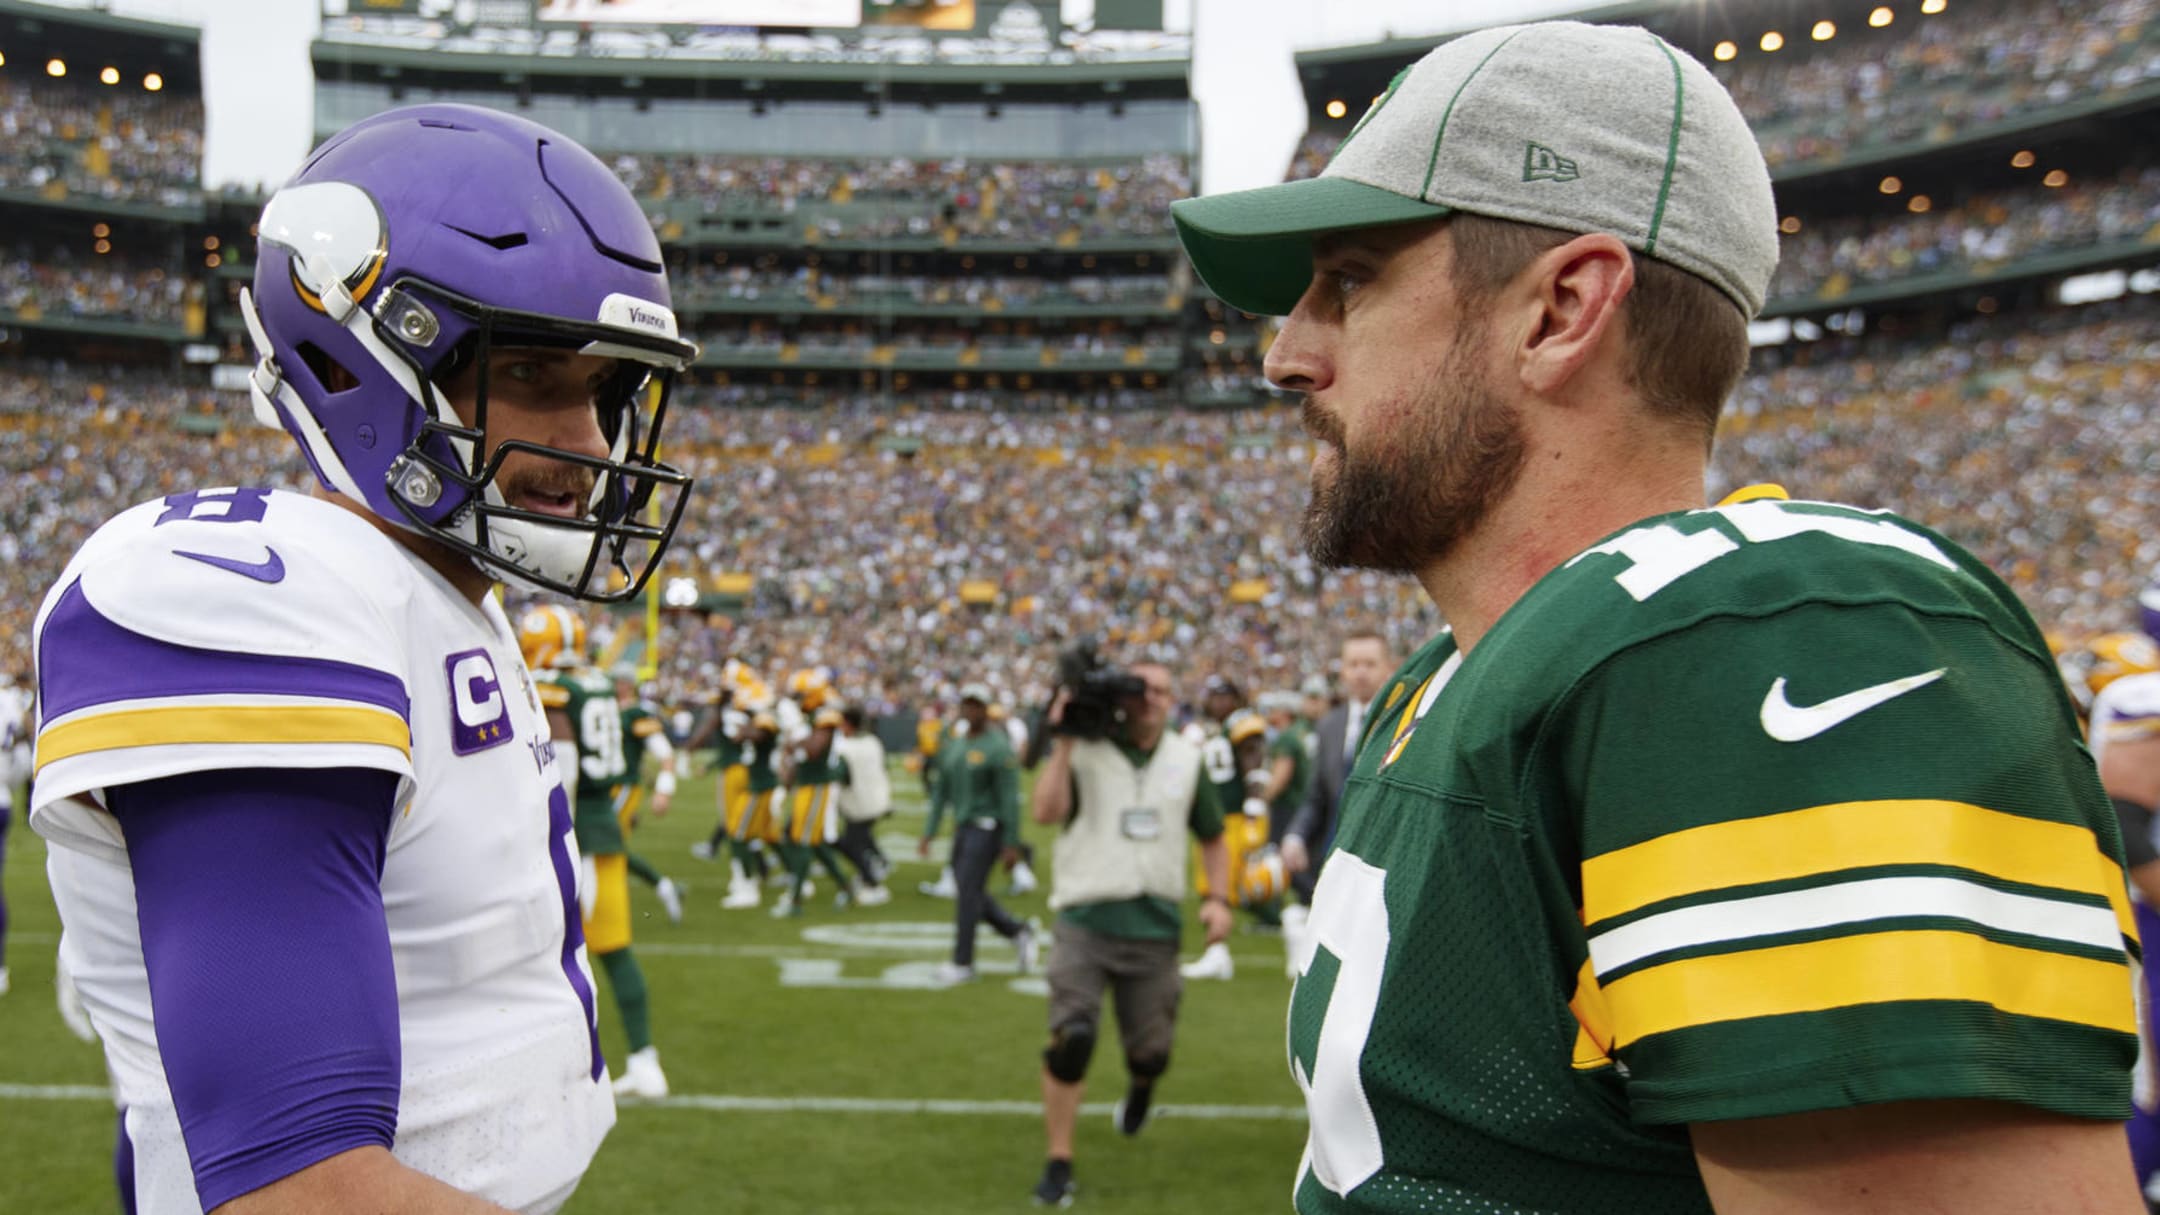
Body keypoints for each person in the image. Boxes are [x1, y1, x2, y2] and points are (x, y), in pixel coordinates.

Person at [1171, 21, 2140, 1214]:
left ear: (1561, 309)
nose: (1286, 356)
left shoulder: (1765, 641)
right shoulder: (1441, 685)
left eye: (1351, 282)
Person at [29, 103, 697, 1211]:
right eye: (530, 376)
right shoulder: (249, 594)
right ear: (360, 355)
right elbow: (303, 1187)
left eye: (604, 393)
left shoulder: (436, 601)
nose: (586, 448)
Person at [1029, 662, 1231, 1207]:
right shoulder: (1088, 749)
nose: (1150, 700)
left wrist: (1217, 899)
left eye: (1161, 691)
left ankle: (1141, 1088)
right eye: (1140, 690)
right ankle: (1059, 1158)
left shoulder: (1186, 759)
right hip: (1085, 920)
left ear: (1173, 700)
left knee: (1152, 1052)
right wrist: (1065, 740)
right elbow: (1044, 812)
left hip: (1155, 926)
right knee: (1071, 1039)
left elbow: (1213, 836)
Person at [522, 610, 669, 1101]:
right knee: (613, 948)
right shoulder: (600, 680)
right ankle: (645, 1060)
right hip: (605, 824)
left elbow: (564, 764)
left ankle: (560, 1068)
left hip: (576, 825)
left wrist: (549, 824)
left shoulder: (556, 686)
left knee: (547, 952)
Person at [923, 684, 1037, 984]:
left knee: (968, 894)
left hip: (987, 827)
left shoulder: (998, 747)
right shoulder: (956, 745)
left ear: (986, 710)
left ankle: (963, 961)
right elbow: (940, 792)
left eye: (977, 705)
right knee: (967, 891)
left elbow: (1009, 797)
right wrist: (929, 832)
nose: (971, 710)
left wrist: (1011, 842)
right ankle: (1016, 931)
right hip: (963, 827)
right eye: (967, 704)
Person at [611, 666, 685, 924]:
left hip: (623, 786)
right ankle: (665, 887)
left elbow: (665, 755)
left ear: (627, 684)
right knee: (607, 846)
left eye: (617, 681)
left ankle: (662, 886)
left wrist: (663, 791)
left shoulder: (637, 713)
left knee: (605, 843)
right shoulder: (609, 708)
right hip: (606, 786)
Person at [832, 705, 895, 906]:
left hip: (860, 803)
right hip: (878, 799)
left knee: (850, 843)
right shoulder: (872, 741)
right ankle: (881, 861)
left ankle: (872, 882)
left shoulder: (845, 748)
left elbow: (841, 776)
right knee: (861, 836)